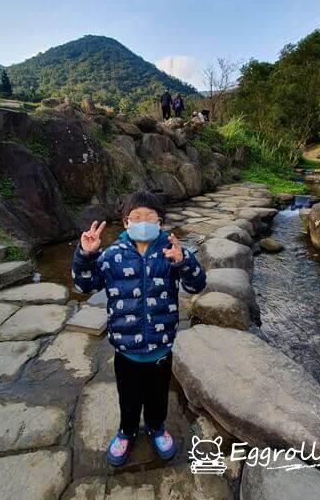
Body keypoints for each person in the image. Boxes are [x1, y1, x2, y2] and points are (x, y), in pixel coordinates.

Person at [71, 190, 206, 467]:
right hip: (126, 351)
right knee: (129, 397)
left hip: (161, 347)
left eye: (150, 217)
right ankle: (127, 431)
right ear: (126, 222)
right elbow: (85, 286)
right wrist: (85, 255)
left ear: (160, 222)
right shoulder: (112, 255)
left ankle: (157, 428)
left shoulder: (172, 252)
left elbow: (197, 285)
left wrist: (184, 262)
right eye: (136, 217)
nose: (143, 221)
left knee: (158, 397)